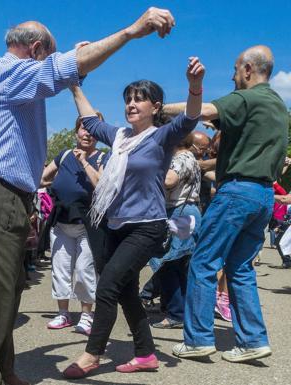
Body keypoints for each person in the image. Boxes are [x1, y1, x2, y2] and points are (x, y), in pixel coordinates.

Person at [0, 8, 178, 385]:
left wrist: (79, 70)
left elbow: (66, 73)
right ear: (37, 48)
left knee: (6, 293)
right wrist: (131, 31)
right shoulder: (7, 70)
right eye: (49, 57)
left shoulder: (9, 77)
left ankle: (2, 370)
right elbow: (61, 72)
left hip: (9, 195)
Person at [63, 56, 204, 378]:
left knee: (108, 287)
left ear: (156, 107)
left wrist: (195, 86)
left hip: (147, 227)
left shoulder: (162, 136)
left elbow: (191, 117)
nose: (131, 104)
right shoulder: (120, 137)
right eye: (127, 99)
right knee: (125, 292)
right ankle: (145, 354)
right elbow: (89, 121)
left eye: (139, 99)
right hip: (114, 225)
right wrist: (73, 84)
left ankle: (92, 355)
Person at [168, 45, 289, 363]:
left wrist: (159, 108)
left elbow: (203, 111)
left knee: (204, 262)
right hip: (262, 195)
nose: (233, 76)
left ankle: (198, 339)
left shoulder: (248, 97)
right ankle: (252, 340)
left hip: (237, 192)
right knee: (240, 268)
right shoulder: (277, 105)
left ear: (248, 69)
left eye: (236, 69)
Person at [40, 114, 104, 334]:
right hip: (62, 221)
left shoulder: (103, 157)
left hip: (88, 224)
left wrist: (84, 162)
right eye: (83, 129)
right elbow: (42, 178)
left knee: (85, 269)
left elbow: (101, 185)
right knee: (60, 268)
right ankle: (63, 314)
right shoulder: (64, 154)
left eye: (93, 130)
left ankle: (87, 315)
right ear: (76, 131)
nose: (87, 134)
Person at [151, 132, 202, 329]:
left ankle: (175, 313)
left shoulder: (180, 158)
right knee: (181, 264)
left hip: (179, 213)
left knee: (167, 263)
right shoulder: (192, 159)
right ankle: (181, 310)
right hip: (187, 212)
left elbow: (169, 181)